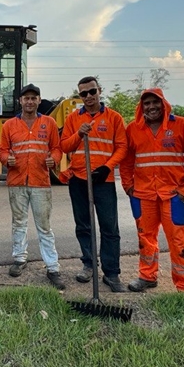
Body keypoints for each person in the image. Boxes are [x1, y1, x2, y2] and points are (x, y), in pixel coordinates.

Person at [120, 88, 184, 292]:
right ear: (141, 107)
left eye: (155, 102)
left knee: (179, 240)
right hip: (143, 194)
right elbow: (126, 161)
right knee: (145, 238)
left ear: (164, 103)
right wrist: (128, 186)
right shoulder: (133, 129)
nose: (151, 107)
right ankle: (147, 276)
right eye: (146, 103)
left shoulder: (183, 126)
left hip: (174, 195)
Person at [59, 76, 128, 292]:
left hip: (103, 180)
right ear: (79, 96)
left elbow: (122, 147)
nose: (88, 96)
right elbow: (65, 147)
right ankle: (89, 264)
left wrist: (108, 167)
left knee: (109, 228)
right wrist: (79, 134)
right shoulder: (73, 118)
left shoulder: (114, 117)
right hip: (79, 179)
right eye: (83, 93)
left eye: (92, 91)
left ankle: (112, 272)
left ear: (99, 90)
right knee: (84, 225)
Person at [0, 84, 65, 290]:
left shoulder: (49, 123)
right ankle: (19, 258)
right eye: (26, 98)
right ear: (20, 101)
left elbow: (57, 148)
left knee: (44, 226)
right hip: (17, 181)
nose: (29, 101)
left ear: (38, 100)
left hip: (40, 182)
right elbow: (2, 149)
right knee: (18, 222)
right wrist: (5, 159)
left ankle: (52, 266)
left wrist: (54, 159)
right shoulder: (9, 125)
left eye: (33, 98)